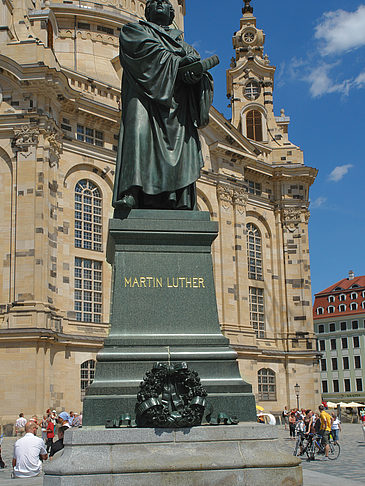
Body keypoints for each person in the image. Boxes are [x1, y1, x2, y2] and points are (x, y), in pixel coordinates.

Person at [113, 0, 214, 211]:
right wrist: (178, 63)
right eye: (154, 2)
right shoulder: (135, 30)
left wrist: (196, 75)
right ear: (146, 10)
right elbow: (142, 52)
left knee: (180, 142)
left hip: (176, 107)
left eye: (165, 2)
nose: (159, 3)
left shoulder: (186, 47)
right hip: (143, 98)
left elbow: (198, 76)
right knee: (137, 133)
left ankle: (178, 197)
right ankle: (132, 192)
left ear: (172, 13)